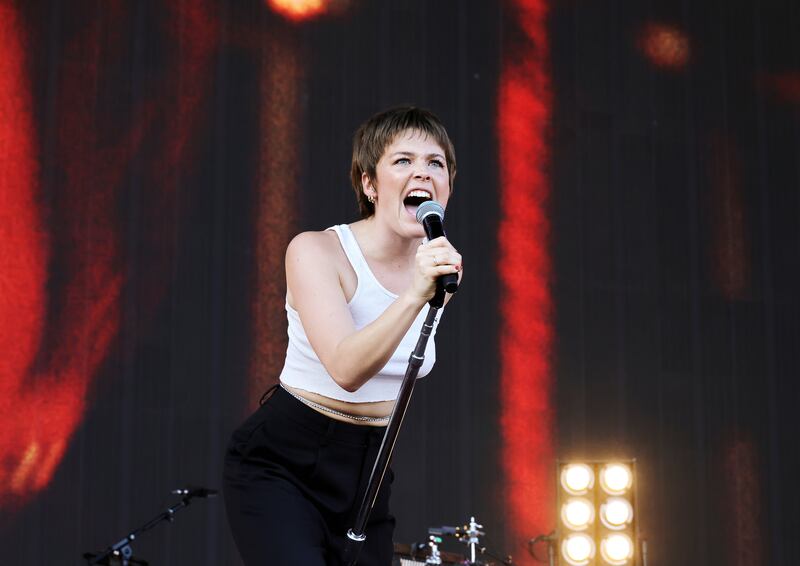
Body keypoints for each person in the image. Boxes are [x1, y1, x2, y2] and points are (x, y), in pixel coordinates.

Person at [223, 106, 462, 566]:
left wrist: (425, 286)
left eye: (436, 163)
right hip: (286, 460)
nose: (424, 173)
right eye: (403, 161)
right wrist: (414, 294)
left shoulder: (439, 268)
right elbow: (347, 369)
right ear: (369, 185)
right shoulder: (317, 251)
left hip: (366, 469)